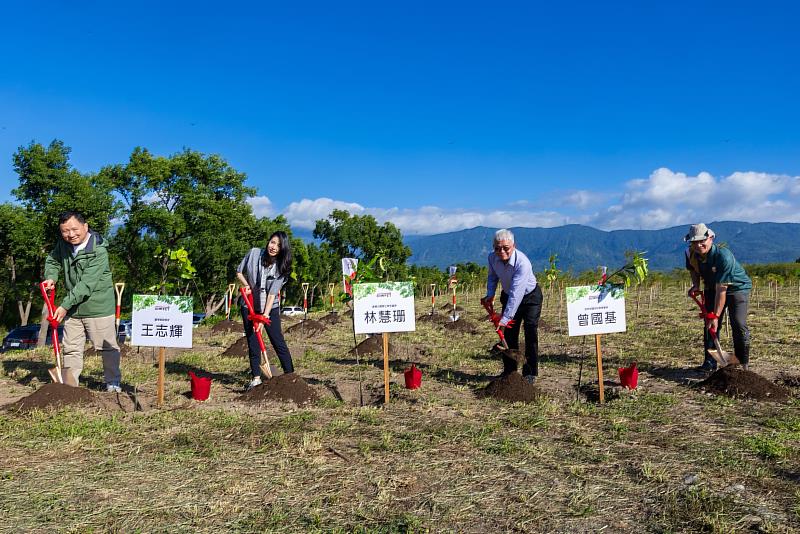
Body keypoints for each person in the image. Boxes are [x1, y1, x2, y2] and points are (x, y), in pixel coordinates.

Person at [43, 211, 122, 392]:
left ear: (85, 227)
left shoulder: (99, 251)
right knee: (71, 348)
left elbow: (86, 285)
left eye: (74, 229)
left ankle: (113, 382)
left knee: (107, 347)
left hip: (98, 307)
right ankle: (70, 387)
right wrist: (51, 277)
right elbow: (52, 260)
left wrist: (63, 306)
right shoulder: (63, 245)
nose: (70, 235)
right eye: (65, 231)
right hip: (74, 309)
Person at [684, 223, 752, 371]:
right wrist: (696, 285)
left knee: (738, 324)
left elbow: (722, 290)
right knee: (710, 326)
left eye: (702, 240)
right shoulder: (690, 253)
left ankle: (742, 364)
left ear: (711, 238)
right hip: (712, 286)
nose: (699, 245)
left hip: (736, 287)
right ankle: (710, 362)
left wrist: (715, 315)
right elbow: (693, 269)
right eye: (695, 242)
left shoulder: (723, 256)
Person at [480, 229, 543, 383]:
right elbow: (492, 277)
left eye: (505, 248)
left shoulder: (522, 263)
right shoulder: (492, 258)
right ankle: (509, 372)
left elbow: (517, 292)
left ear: (513, 246)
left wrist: (505, 318)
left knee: (530, 331)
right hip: (508, 296)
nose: (501, 251)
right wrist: (490, 294)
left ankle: (530, 372)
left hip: (530, 298)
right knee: (509, 334)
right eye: (497, 248)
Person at [236, 231, 295, 389]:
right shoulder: (254, 253)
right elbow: (239, 271)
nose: (274, 247)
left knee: (277, 341)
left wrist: (263, 317)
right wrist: (246, 285)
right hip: (249, 305)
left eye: (278, 245)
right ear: (268, 241)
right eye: (272, 242)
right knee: (253, 341)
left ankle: (291, 377)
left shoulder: (282, 268)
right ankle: (256, 378)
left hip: (269, 308)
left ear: (283, 249)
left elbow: (271, 294)